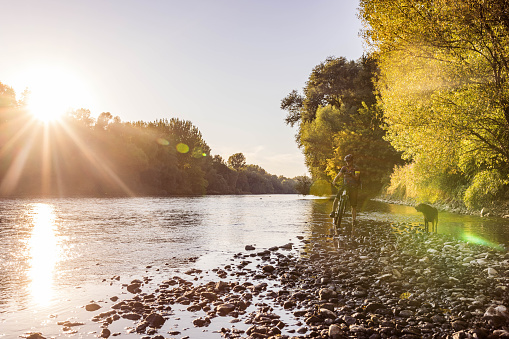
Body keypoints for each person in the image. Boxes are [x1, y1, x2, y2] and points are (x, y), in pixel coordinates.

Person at [330, 154, 361, 226]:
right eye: (347, 161)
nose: (348, 162)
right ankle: (333, 212)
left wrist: (351, 175)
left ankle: (354, 220)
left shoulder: (356, 168)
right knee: (337, 197)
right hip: (345, 186)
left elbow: (357, 178)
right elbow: (338, 175)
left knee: (353, 205)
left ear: (352, 161)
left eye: (349, 161)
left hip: (353, 187)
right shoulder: (344, 168)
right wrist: (334, 181)